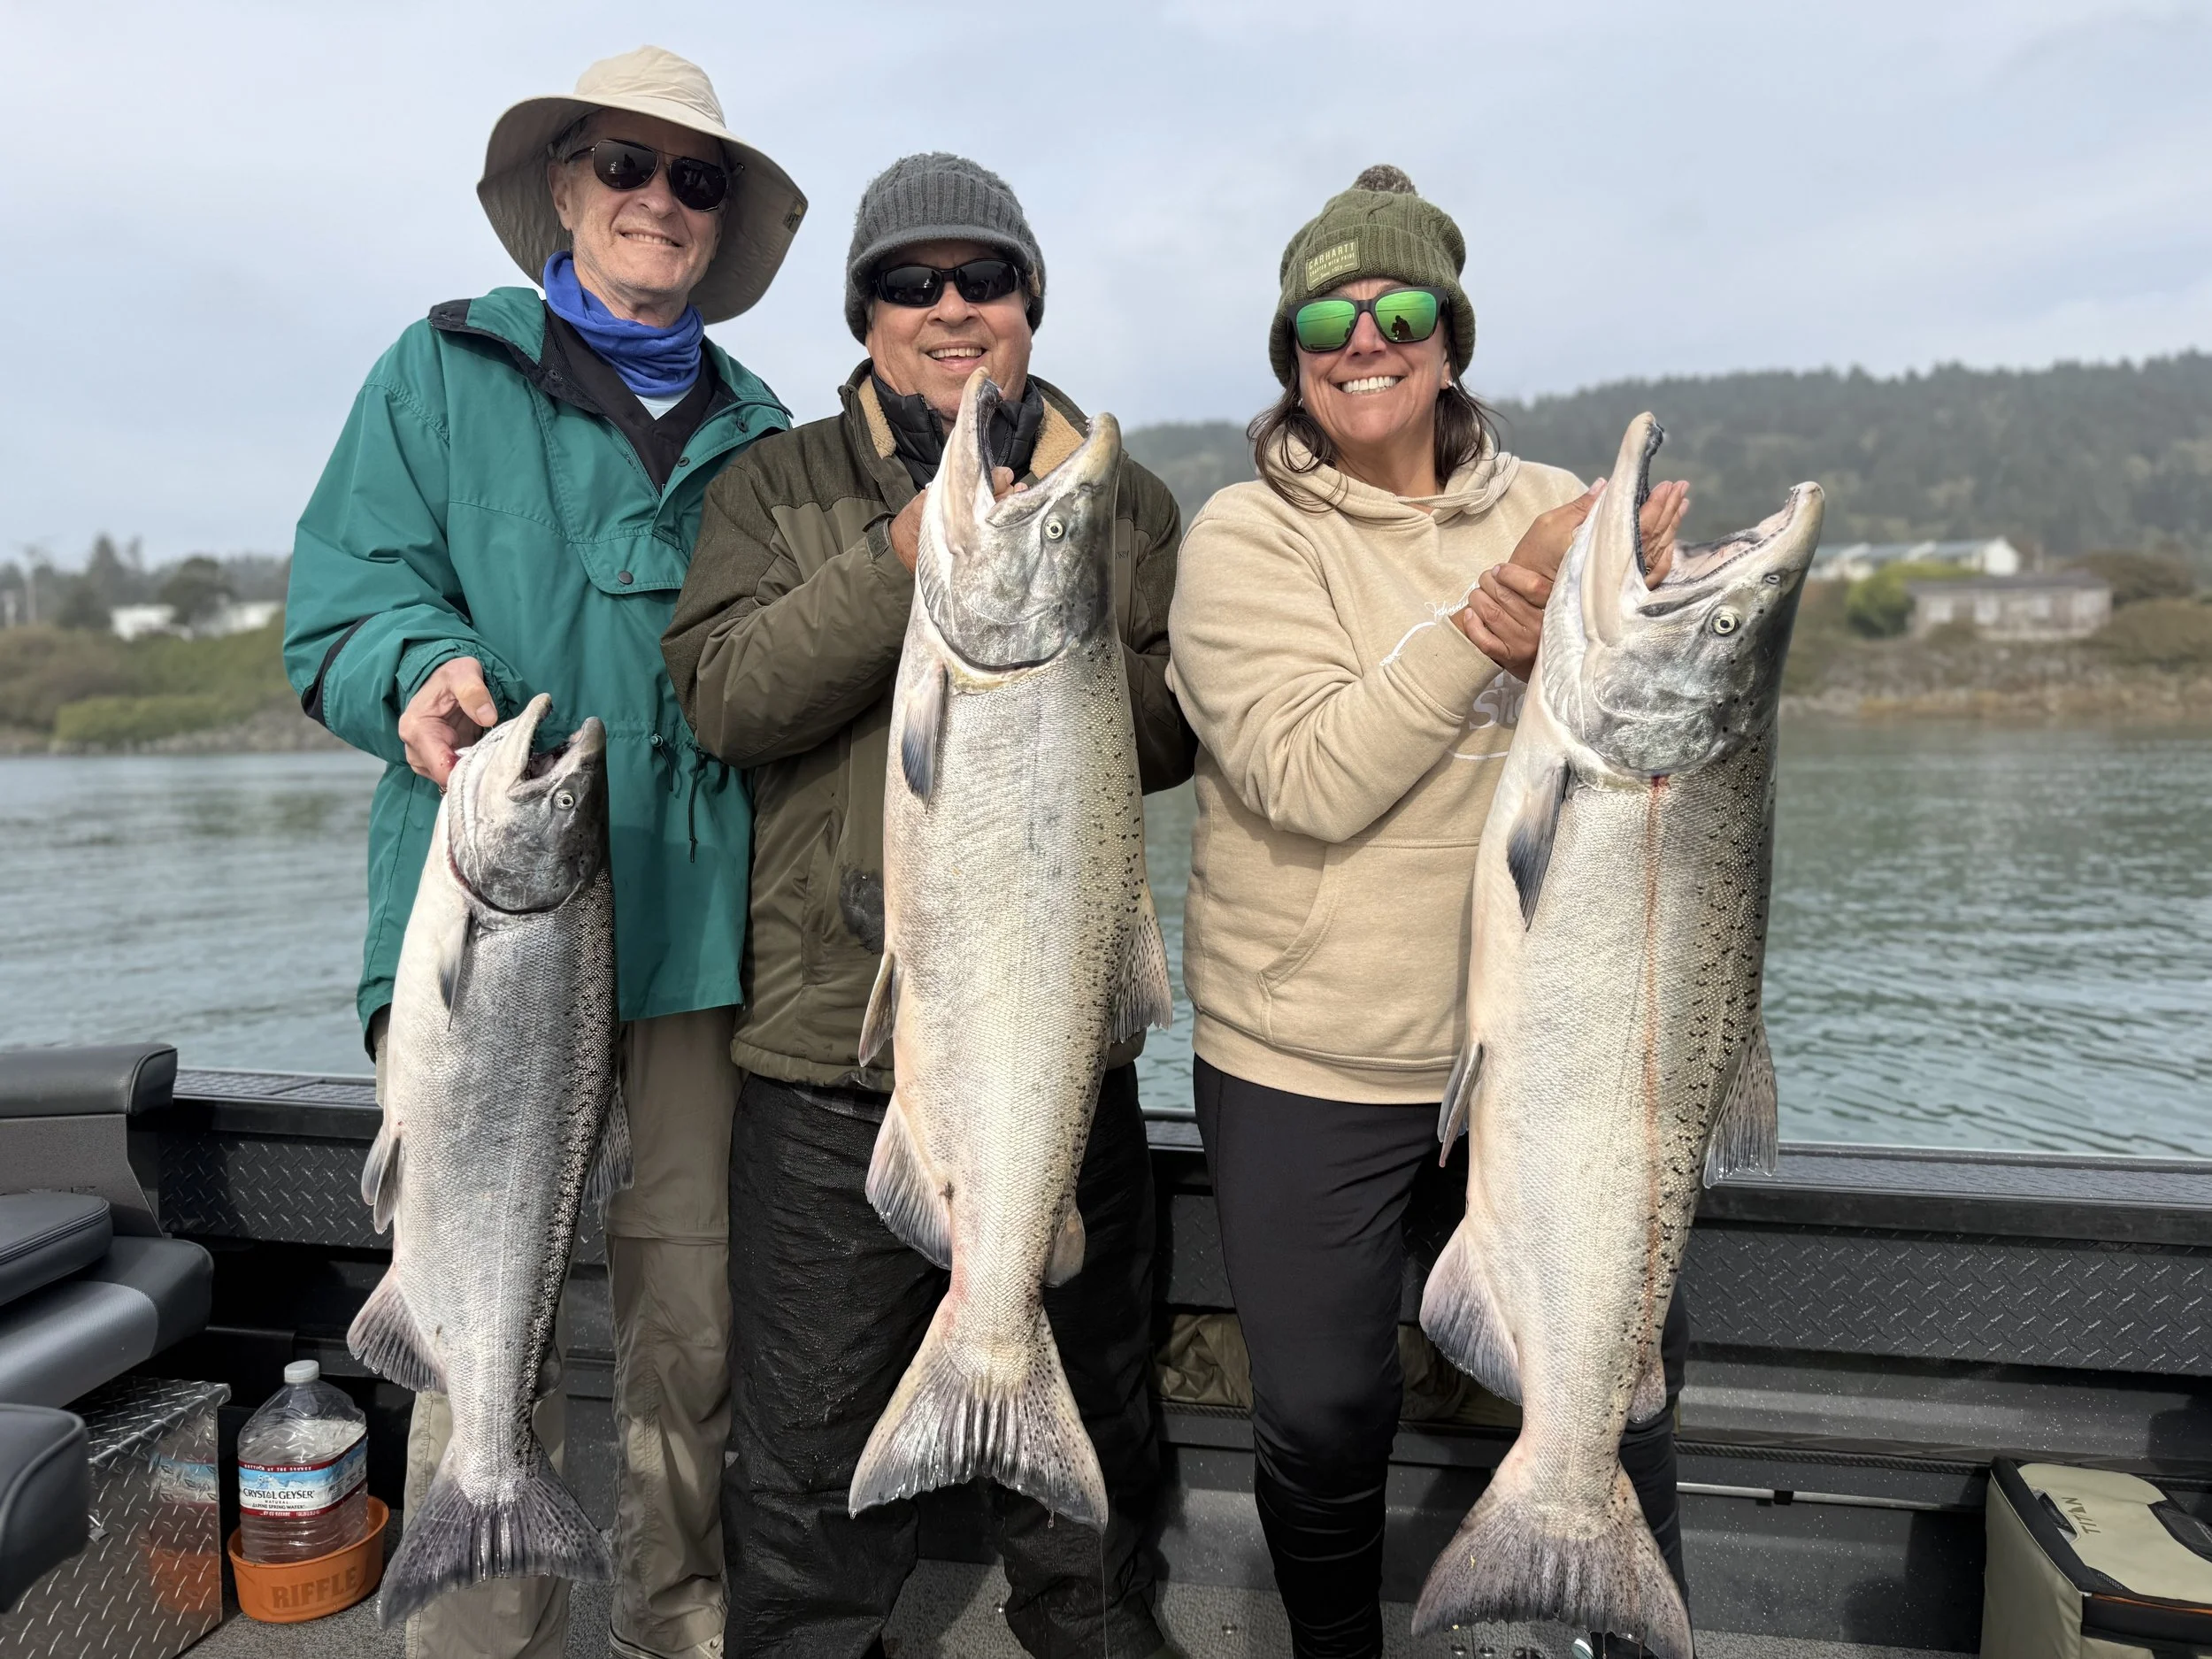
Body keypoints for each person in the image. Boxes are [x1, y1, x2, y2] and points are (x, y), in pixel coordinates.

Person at [281, 46, 805, 1659]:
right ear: (563, 190)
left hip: (700, 943)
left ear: (720, 225)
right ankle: (478, 1626)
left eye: (695, 179)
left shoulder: (771, 430)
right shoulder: (434, 373)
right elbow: (343, 600)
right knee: (473, 1313)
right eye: (626, 169)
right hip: (485, 937)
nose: (660, 200)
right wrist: (414, 671)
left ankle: (674, 1616)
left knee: (687, 1317)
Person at [663, 152, 1194, 1659]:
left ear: (1030, 303)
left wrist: (1054, 598)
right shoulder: (772, 487)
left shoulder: (1120, 491)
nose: (950, 308)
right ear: (868, 314)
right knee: (807, 1475)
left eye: (985, 280)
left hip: (1054, 1054)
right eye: (912, 283)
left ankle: (1090, 1623)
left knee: (1094, 1447)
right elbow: (725, 695)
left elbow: (1173, 735)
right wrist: (907, 559)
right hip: (830, 1067)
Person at [1164, 166, 1694, 1659]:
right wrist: (1481, 630)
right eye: (1327, 317)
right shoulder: (1243, 539)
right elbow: (1304, 773)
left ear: (1449, 338)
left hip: (1550, 1065)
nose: (1365, 339)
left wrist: (1648, 621)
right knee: (1327, 1412)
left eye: (1402, 310)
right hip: (1309, 1056)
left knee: (1619, 1380)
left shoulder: (1550, 512)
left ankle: (1623, 1628)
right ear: (1292, 353)